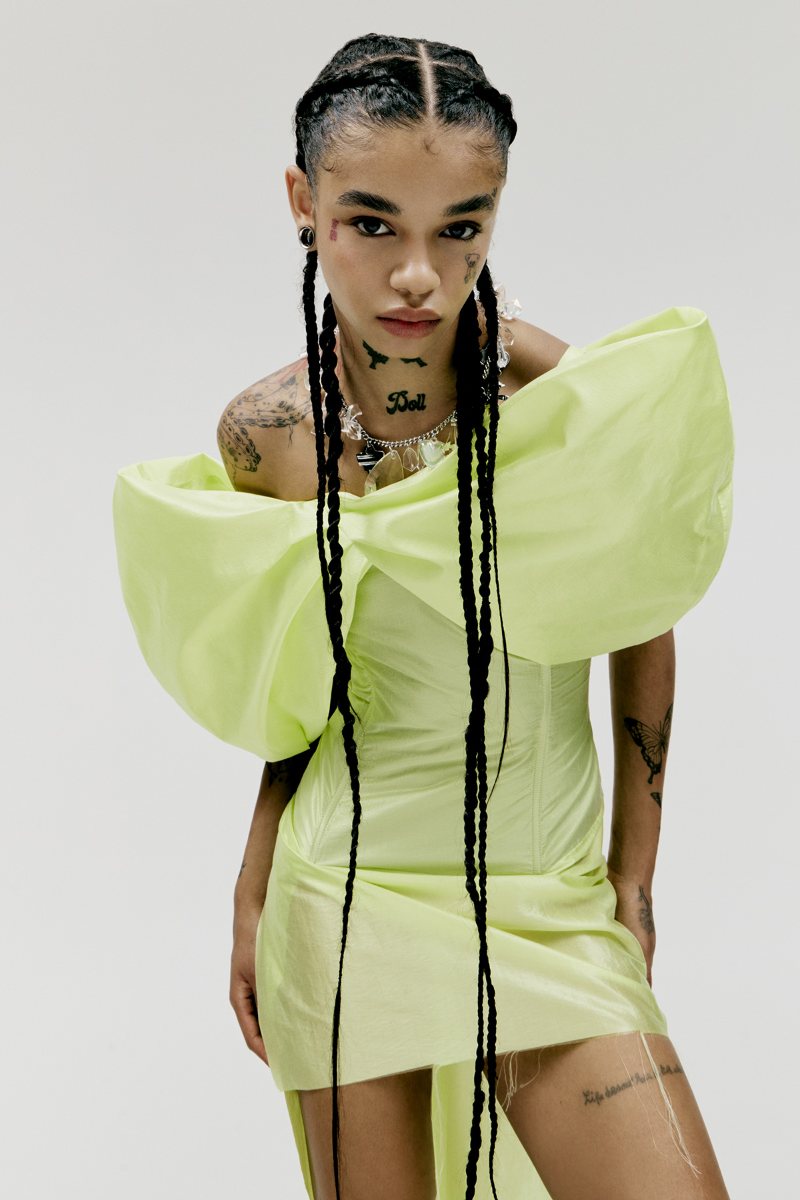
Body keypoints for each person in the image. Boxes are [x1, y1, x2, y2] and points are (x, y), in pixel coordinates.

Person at [112, 32, 735, 1200]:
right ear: (303, 205)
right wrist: (252, 886)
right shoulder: (268, 437)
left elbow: (644, 615)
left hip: (547, 898)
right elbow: (304, 692)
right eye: (372, 222)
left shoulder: (562, 404)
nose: (417, 273)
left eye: (459, 227)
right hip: (342, 903)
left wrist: (632, 880)